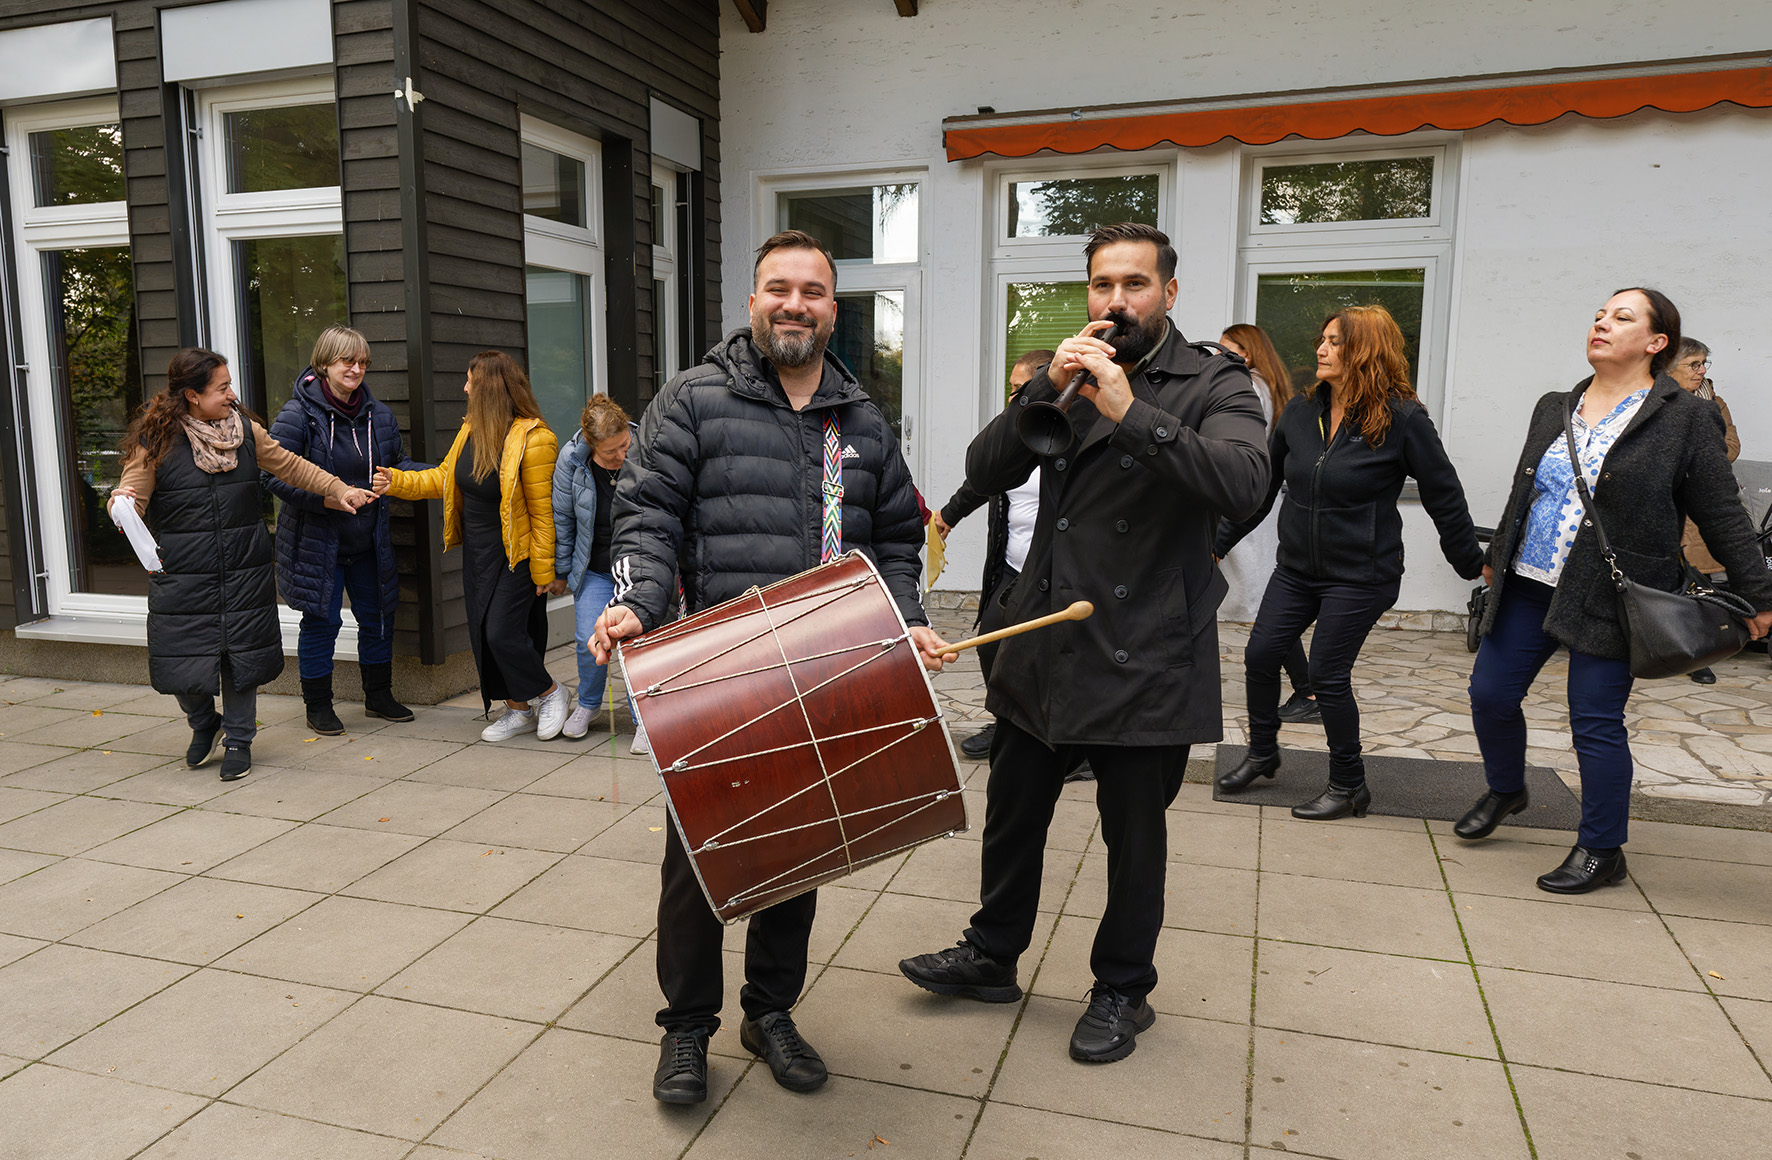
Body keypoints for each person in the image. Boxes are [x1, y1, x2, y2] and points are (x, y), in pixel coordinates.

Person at [587, 230, 952, 1104]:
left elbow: (898, 535)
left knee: (804, 845)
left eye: (814, 291)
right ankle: (685, 1030)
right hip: (719, 677)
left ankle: (770, 1011)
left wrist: (904, 621)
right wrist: (637, 598)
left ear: (834, 307)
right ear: (753, 301)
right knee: (700, 861)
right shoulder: (692, 399)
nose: (796, 304)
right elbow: (645, 513)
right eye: (778, 288)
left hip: (830, 668)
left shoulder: (861, 416)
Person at [898, 222, 1268, 1064]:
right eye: (1102, 285)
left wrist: (1129, 410)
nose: (1115, 302)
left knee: (1133, 834)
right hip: (1047, 637)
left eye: (1134, 285)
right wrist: (1044, 391)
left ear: (1169, 295)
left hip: (1146, 649)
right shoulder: (1061, 375)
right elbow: (987, 466)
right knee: (1013, 811)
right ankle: (993, 953)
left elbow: (1246, 481)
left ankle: (1122, 988)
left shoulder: (1214, 383)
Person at [1457, 289, 1772, 892]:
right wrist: (1498, 555)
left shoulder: (1684, 416)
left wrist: (1760, 596)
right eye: (1600, 315)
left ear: (1657, 343)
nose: (1602, 323)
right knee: (1490, 695)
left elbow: (1722, 512)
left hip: (1612, 589)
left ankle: (1602, 849)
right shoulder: (1556, 405)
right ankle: (1507, 789)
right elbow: (1528, 491)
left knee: (1595, 722)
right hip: (1530, 580)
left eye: (1621, 318)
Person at [1216, 305, 1484, 820]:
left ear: (1366, 351)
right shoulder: (1299, 411)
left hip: (1362, 574)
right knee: (1259, 655)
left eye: (1336, 342)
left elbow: (1443, 493)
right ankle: (1263, 753)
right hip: (1297, 569)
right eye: (1323, 339)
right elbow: (1260, 490)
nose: (1321, 349)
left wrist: (1471, 564)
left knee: (1326, 674)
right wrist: (1217, 542)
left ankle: (1348, 784)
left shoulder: (1403, 419)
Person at [115, 349, 375, 781]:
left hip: (243, 568)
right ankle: (204, 723)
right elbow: (133, 493)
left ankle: (238, 738)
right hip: (183, 573)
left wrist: (338, 488)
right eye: (222, 387)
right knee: (179, 666)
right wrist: (121, 502)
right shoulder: (156, 439)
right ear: (193, 395)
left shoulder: (246, 432)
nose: (232, 395)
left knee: (240, 662)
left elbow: (291, 466)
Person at [373, 351, 571, 742]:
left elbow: (544, 514)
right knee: (482, 634)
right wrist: (395, 482)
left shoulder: (535, 439)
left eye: (470, 381)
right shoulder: (470, 432)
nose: (464, 388)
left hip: (516, 554)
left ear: (489, 389)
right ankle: (518, 710)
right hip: (478, 553)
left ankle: (551, 693)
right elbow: (445, 479)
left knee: (502, 632)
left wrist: (547, 572)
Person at [264, 325, 423, 735]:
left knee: (379, 618)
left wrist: (426, 476)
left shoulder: (379, 415)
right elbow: (274, 477)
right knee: (322, 622)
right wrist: (327, 498)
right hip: (319, 541)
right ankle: (318, 705)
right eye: (347, 361)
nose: (356, 369)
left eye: (363, 362)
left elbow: (398, 466)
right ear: (324, 364)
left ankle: (378, 696)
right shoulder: (298, 414)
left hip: (370, 539)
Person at [932, 349, 1054, 760]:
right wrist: (949, 514)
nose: (1014, 399)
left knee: (1047, 653)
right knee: (989, 643)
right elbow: (982, 481)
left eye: (1023, 390)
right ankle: (1005, 721)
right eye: (1012, 390)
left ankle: (1073, 744)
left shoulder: (1063, 438)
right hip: (1010, 564)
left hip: (1052, 570)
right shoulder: (1015, 436)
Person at [1217, 323, 1317, 724]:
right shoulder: (1265, 386)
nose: (1220, 357)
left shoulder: (1248, 387)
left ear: (1250, 352)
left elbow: (1237, 449)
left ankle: (1308, 689)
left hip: (1242, 506)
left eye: (1229, 350)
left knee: (1265, 607)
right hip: (1254, 506)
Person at [551, 394, 639, 742]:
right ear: (590, 445)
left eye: (624, 446)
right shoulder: (571, 462)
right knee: (587, 636)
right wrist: (560, 571)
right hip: (597, 568)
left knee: (638, 641)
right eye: (610, 452)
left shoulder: (648, 447)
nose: (621, 456)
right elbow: (563, 518)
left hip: (639, 568)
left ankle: (644, 718)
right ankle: (588, 703)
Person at [1669, 338, 1741, 684]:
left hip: (1698, 504)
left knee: (1700, 583)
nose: (1701, 371)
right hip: (1659, 502)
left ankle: (1698, 655)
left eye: (1703, 365)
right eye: (1694, 365)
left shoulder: (1714, 403)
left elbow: (1731, 447)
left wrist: (1695, 457)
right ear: (1670, 367)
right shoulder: (1650, 399)